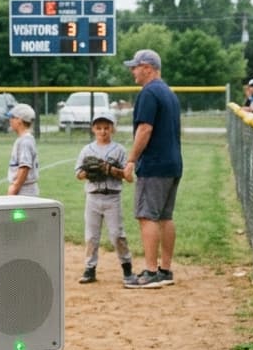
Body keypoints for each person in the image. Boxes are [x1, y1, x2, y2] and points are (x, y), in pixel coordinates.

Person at [122, 49, 184, 289]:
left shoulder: (148, 92)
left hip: (155, 165)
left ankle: (150, 272)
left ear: (147, 67)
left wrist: (131, 160)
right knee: (165, 217)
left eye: (135, 66)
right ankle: (165, 270)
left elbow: (145, 129)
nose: (132, 71)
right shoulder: (167, 91)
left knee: (147, 215)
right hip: (173, 162)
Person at [76, 112, 135, 285]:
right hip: (93, 197)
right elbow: (78, 174)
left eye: (106, 127)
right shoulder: (87, 150)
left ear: (113, 129)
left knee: (117, 235)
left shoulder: (119, 150)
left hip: (112, 198)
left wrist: (111, 170)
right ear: (93, 129)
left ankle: (127, 267)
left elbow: (129, 177)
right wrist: (90, 171)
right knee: (91, 237)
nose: (103, 131)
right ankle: (89, 269)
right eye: (99, 128)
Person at [5, 103, 39, 196]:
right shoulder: (24, 139)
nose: (10, 120)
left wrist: (15, 187)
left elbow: (24, 167)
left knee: (19, 211)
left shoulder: (25, 141)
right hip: (24, 189)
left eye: (12, 117)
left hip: (24, 191)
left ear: (19, 120)